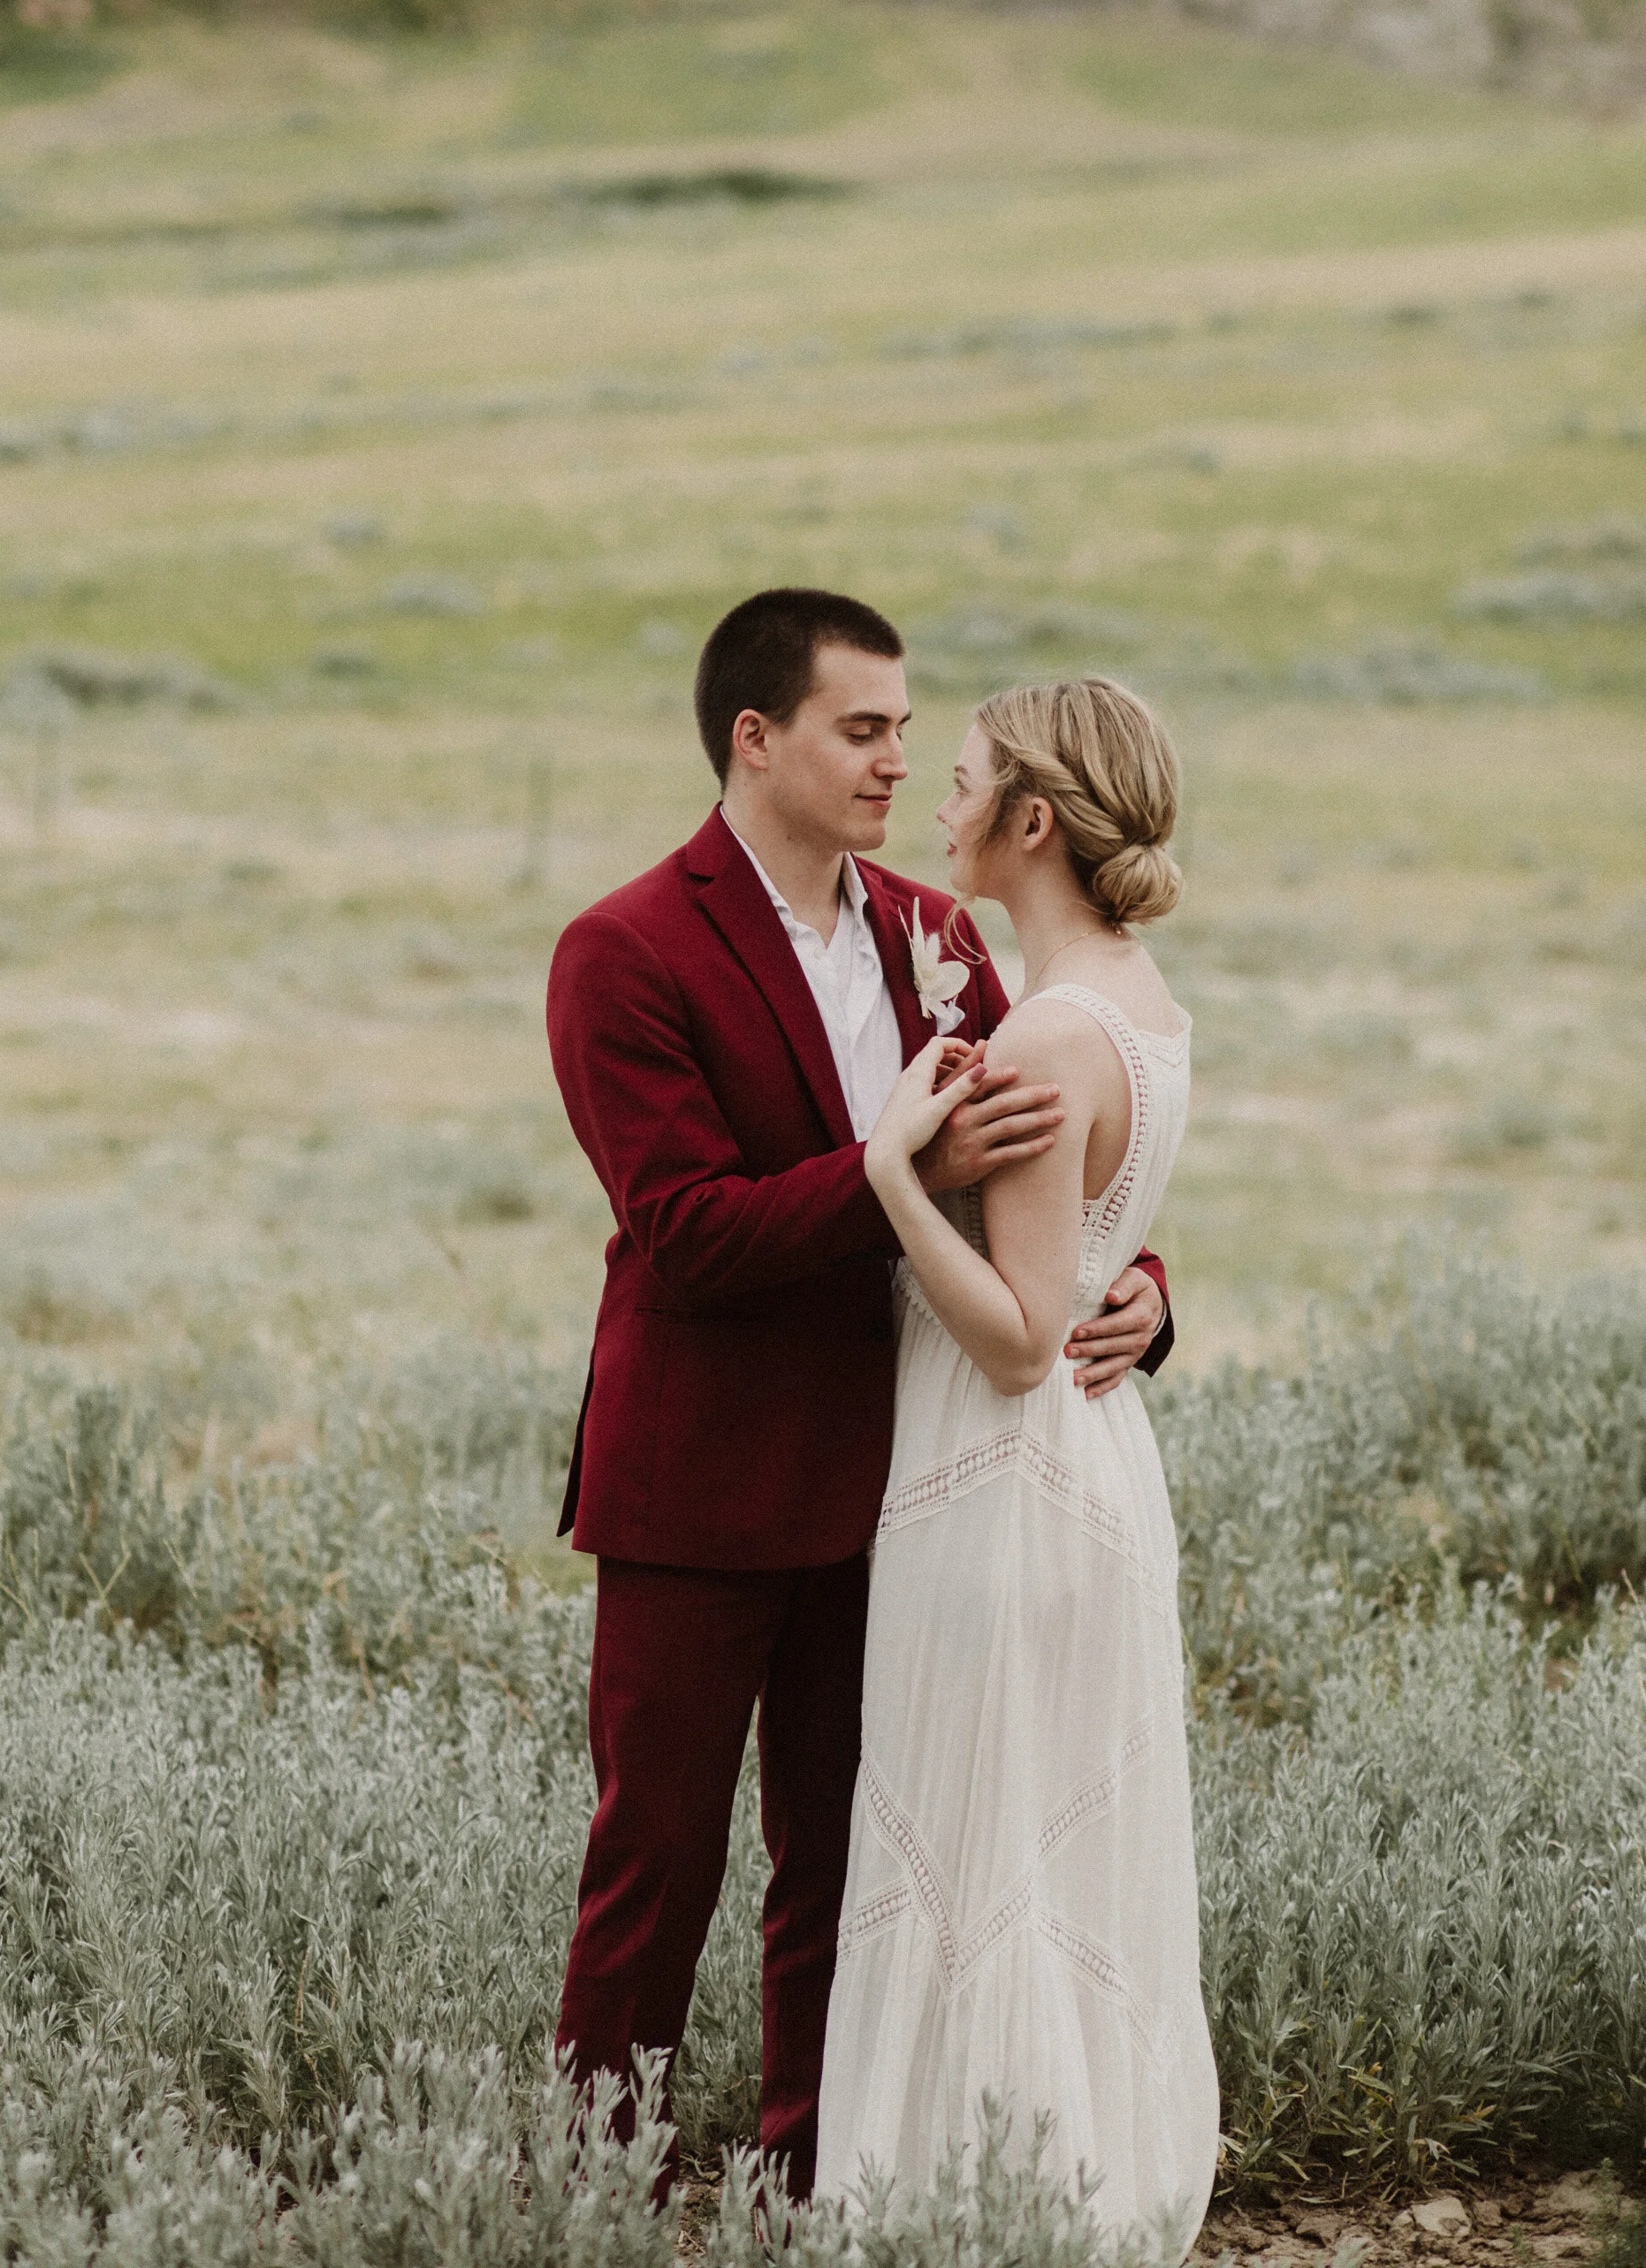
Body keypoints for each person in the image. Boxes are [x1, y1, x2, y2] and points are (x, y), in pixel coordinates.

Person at [545, 590, 1177, 2199]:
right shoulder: (622, 951)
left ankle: (810, 2181)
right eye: (863, 728)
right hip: (696, 1487)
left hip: (903, 1485)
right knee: (655, 1865)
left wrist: (1141, 1291)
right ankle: (583, 2186)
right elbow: (682, 1236)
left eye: (909, 730)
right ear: (757, 740)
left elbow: (1041, 1183)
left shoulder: (941, 936)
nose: (900, 759)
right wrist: (896, 1166)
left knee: (843, 1868)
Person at [814, 677, 1219, 2246]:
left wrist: (889, 1181)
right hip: (1090, 1478)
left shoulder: (1053, 1028)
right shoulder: (1137, 996)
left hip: (1001, 1482)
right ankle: (1051, 2192)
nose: (935, 796)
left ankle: (980, 2214)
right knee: (1049, 1861)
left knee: (984, 1863)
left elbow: (1018, 1330)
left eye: (965, 776)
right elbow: (1097, 1250)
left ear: (1031, 819)